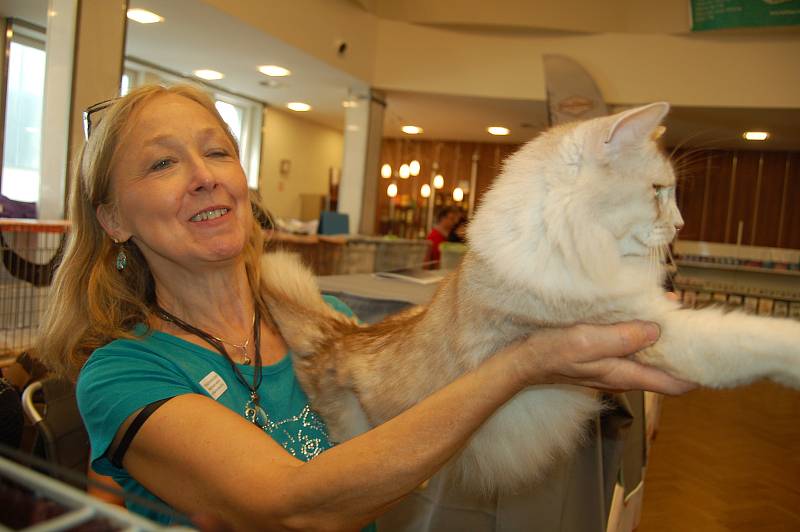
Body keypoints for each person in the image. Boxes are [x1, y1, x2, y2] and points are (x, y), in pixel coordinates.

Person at [35, 84, 694, 530]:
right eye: (161, 165)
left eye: (218, 152)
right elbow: (292, 509)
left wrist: (565, 332)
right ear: (113, 218)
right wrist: (522, 365)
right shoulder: (123, 374)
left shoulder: (314, 314)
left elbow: (419, 417)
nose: (205, 175)